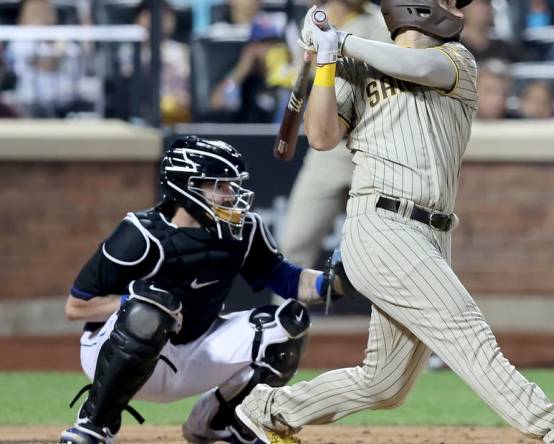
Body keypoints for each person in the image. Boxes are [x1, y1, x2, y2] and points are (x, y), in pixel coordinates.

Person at [235, 2, 554, 444]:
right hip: (382, 225)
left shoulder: (456, 60)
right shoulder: (356, 66)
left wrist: (340, 42)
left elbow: (416, 65)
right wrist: (326, 62)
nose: (453, 7)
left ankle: (267, 409)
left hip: (432, 233)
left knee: (384, 384)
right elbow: (321, 137)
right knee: (467, 334)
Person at [58, 136, 344, 444]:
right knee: (150, 310)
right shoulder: (139, 234)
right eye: (219, 186)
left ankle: (222, 422)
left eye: (232, 186)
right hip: (118, 353)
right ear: (186, 187)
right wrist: (140, 302)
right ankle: (95, 423)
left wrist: (334, 282)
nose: (231, 195)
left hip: (196, 349)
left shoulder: (245, 231)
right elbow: (76, 307)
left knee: (289, 324)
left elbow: (287, 280)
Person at [279, 0, 391, 269]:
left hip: (372, 149)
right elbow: (304, 82)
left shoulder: (380, 24)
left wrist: (329, 57)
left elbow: (375, 79)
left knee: (386, 251)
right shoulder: (312, 20)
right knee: (294, 242)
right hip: (329, 152)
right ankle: (287, 310)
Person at [210, 12, 293, 123]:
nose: (270, 49)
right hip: (246, 136)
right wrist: (239, 73)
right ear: (251, 48)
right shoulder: (239, 73)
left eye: (274, 43)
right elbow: (217, 105)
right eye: (264, 43)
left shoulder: (287, 74)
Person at [460, 0, 527, 63]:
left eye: (488, 3)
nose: (486, 9)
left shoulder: (505, 49)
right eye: (479, 3)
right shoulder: (455, 51)